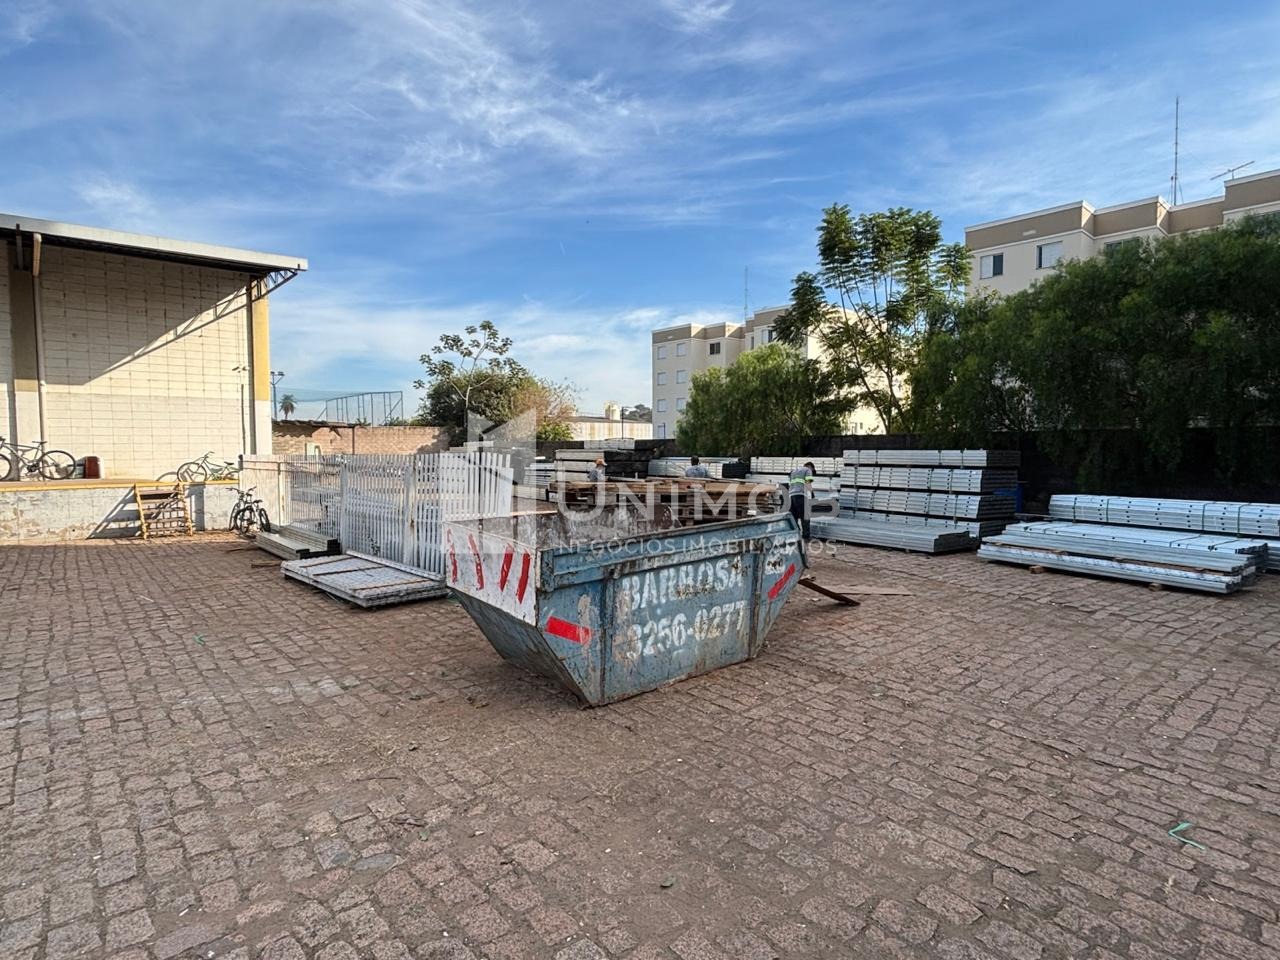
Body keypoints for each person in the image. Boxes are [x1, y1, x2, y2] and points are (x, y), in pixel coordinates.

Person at [788, 461, 816, 539]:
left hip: (791, 496)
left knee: (794, 517)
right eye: (813, 471)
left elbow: (790, 484)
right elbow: (808, 483)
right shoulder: (808, 470)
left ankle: (796, 535)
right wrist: (812, 493)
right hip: (800, 495)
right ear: (811, 467)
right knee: (805, 516)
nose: (812, 473)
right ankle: (806, 536)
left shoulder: (793, 471)